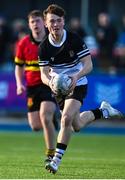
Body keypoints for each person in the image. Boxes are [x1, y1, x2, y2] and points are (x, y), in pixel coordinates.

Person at [38, 4, 123, 174]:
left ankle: (55, 160)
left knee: (65, 119)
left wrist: (76, 77)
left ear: (64, 22)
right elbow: (43, 74)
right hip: (59, 88)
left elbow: (89, 65)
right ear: (46, 24)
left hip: (78, 83)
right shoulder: (44, 47)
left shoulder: (74, 39)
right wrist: (52, 82)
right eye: (52, 21)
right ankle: (103, 112)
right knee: (75, 124)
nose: (55, 24)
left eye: (59, 21)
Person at [14, 10, 59, 162]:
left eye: (38, 21)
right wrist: (20, 84)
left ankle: (51, 154)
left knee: (44, 116)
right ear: (29, 24)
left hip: (49, 85)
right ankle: (52, 119)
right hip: (32, 88)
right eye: (32, 22)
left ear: (45, 23)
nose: (35, 24)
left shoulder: (52, 41)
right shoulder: (23, 43)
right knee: (35, 126)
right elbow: (19, 66)